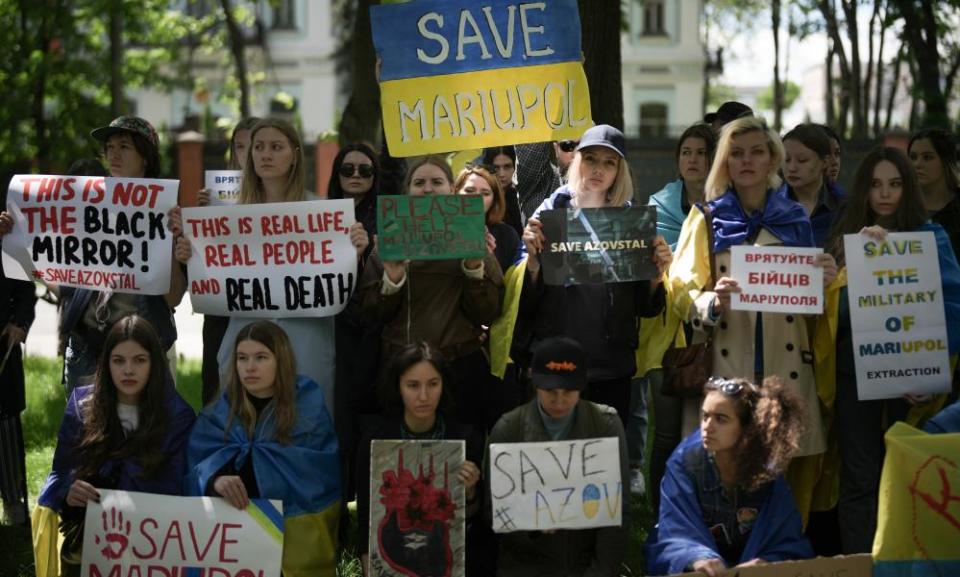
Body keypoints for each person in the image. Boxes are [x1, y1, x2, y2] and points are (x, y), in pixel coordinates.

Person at [175, 118, 370, 419]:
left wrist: (355, 253)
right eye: (259, 147)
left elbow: (341, 280)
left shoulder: (323, 213)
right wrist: (191, 255)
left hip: (308, 338)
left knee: (305, 422)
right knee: (243, 420)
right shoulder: (227, 218)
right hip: (246, 333)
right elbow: (210, 279)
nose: (266, 154)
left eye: (276, 147)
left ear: (294, 155)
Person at [820, 146, 960, 553]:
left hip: (912, 382)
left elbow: (952, 308)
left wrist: (925, 368)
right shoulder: (846, 241)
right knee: (860, 477)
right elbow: (833, 318)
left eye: (895, 184)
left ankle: (904, 559)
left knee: (909, 474)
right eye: (877, 184)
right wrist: (858, 267)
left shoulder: (932, 237)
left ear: (908, 189)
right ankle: (863, 562)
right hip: (853, 377)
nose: (885, 194)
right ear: (864, 189)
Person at [0, 116, 186, 392]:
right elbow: (65, 284)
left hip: (146, 347)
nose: (114, 154)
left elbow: (173, 297)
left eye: (124, 146)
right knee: (86, 433)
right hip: (87, 347)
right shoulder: (85, 205)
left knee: (148, 432)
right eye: (110, 146)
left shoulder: (165, 209)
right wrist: (14, 242)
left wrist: (171, 241)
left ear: (145, 157)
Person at [520, 124, 672, 429]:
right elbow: (526, 302)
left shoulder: (632, 223)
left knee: (606, 460)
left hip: (611, 364)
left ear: (620, 171)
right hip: (556, 364)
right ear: (577, 161)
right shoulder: (549, 215)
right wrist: (533, 261)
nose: (598, 169)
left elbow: (646, 307)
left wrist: (657, 275)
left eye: (609, 162)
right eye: (590, 159)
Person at [35, 315, 196, 576]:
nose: (128, 370)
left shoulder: (178, 415)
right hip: (91, 535)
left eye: (139, 360)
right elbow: (61, 471)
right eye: (118, 360)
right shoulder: (81, 405)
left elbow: (179, 485)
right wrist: (69, 489)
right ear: (106, 363)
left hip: (155, 542)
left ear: (154, 364)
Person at [359, 156, 504, 431]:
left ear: (451, 190)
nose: (427, 189)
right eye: (419, 183)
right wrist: (392, 278)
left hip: (459, 367)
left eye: (436, 182)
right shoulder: (388, 244)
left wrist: (474, 268)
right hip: (400, 367)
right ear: (407, 192)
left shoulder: (473, 238)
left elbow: (489, 312)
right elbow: (370, 313)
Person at [186, 321, 342, 575]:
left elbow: (319, 478)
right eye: (242, 358)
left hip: (292, 545)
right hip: (232, 549)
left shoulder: (308, 409)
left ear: (281, 360)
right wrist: (215, 479)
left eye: (261, 357)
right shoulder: (218, 414)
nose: (250, 367)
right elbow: (194, 470)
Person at [486, 336, 630, 577]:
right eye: (550, 390)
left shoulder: (606, 425)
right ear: (534, 380)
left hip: (586, 563)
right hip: (526, 566)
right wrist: (531, 525)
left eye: (569, 391)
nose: (560, 400)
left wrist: (600, 572)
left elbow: (618, 513)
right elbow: (493, 511)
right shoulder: (509, 428)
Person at [645, 376, 814, 576]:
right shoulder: (685, 462)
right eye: (705, 416)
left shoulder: (766, 470)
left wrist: (767, 562)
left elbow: (785, 536)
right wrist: (698, 558)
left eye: (721, 419)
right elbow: (674, 529)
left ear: (748, 429)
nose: (707, 426)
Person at [356, 342, 484, 577]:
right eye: (413, 385)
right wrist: (367, 556)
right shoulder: (376, 441)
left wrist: (470, 492)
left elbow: (475, 519)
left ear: (443, 385)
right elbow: (366, 511)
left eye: (433, 384)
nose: (423, 396)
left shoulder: (465, 439)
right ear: (398, 387)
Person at [643, 123, 717, 508]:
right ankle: (659, 514)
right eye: (686, 152)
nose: (693, 159)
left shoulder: (728, 209)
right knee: (668, 432)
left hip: (715, 333)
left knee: (709, 432)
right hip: (667, 337)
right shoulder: (657, 207)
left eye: (702, 152)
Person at [196, 116, 259, 405]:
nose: (246, 154)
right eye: (239, 146)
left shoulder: (287, 196)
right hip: (221, 306)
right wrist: (200, 222)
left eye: (253, 146)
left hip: (263, 304)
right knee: (217, 385)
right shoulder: (218, 193)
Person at [0, 257, 37, 525]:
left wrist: (20, 323)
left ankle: (13, 501)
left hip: (3, 344)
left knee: (6, 426)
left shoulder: (8, 242)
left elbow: (25, 289)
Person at [782, 124, 845, 248]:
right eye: (786, 159)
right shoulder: (769, 206)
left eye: (802, 160)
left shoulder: (844, 207)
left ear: (825, 162)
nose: (792, 168)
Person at [455, 165, 521, 273]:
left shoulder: (507, 235)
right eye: (469, 191)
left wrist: (490, 261)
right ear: (456, 193)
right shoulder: (439, 232)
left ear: (494, 201)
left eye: (485, 193)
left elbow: (512, 284)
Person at [908, 127, 960, 260]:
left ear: (946, 161)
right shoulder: (900, 206)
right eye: (913, 157)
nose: (917, 164)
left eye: (927, 157)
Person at [483, 146, 523, 236]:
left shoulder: (521, 198)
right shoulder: (481, 199)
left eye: (507, 167)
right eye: (496, 168)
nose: (502, 174)